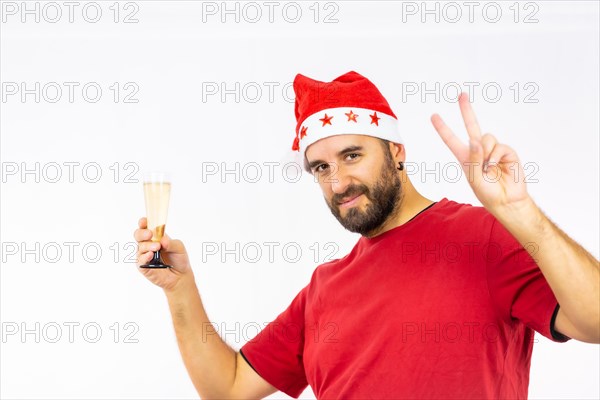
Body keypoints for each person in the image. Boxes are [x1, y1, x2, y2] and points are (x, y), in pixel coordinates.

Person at [134, 71, 599, 399]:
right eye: (321, 167)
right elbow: (228, 387)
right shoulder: (324, 289)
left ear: (396, 150)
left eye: (352, 155)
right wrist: (179, 288)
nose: (338, 183)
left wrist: (521, 212)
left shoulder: (483, 236)